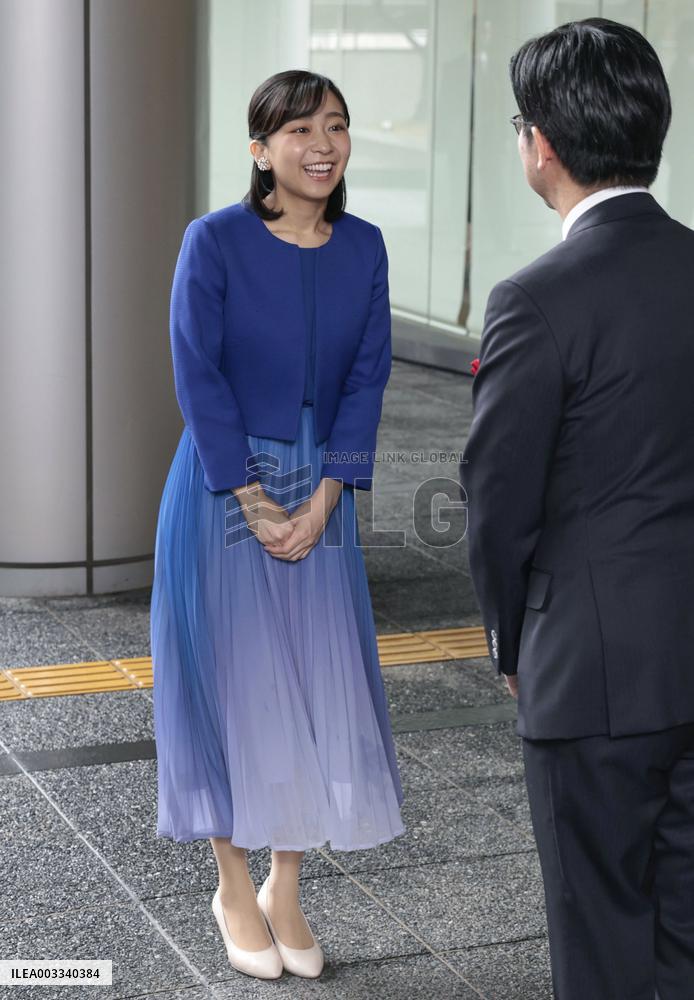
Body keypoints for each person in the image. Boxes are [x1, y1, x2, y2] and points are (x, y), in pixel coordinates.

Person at [150, 69, 405, 982]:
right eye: (298, 130)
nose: (322, 145)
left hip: (320, 492)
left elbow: (370, 376)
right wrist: (255, 501)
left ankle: (284, 887)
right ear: (260, 148)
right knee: (228, 683)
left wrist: (328, 498)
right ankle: (230, 884)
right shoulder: (213, 240)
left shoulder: (365, 246)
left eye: (335, 126)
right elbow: (197, 373)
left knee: (311, 680)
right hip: (225, 488)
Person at [460, 18, 694, 1000]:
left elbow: (495, 507)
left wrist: (514, 645)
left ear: (539, 145)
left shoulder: (535, 298)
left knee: (596, 941)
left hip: (589, 677)